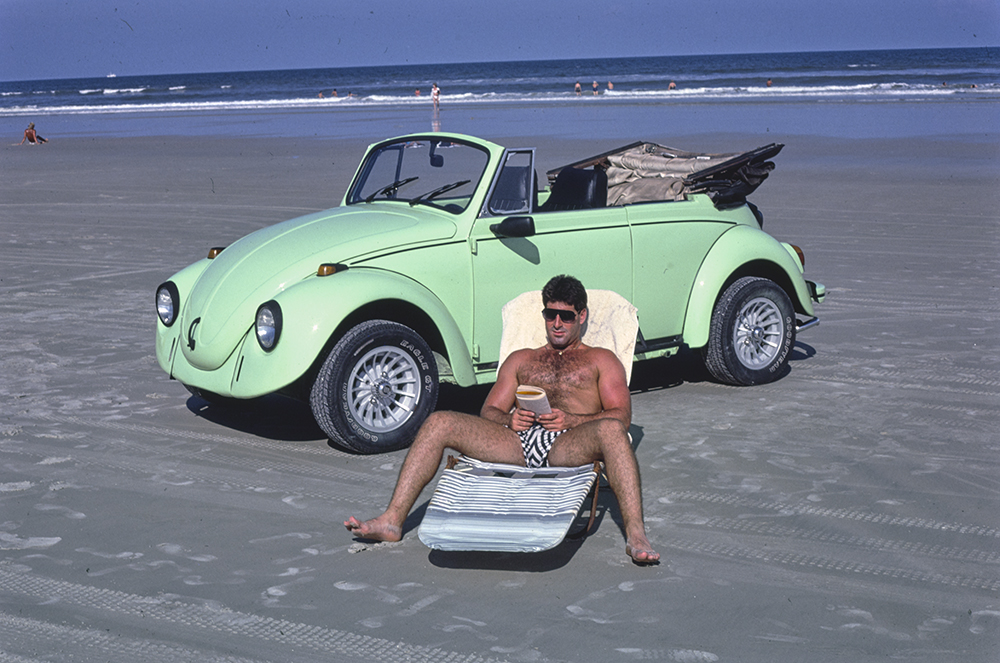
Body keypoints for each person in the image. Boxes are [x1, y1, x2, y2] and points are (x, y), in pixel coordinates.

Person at [345, 275, 660, 564]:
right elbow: (489, 411)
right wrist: (510, 419)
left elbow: (620, 416)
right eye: (550, 315)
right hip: (516, 443)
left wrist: (572, 420)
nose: (558, 324)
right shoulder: (522, 358)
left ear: (582, 316)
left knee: (610, 432)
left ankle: (635, 534)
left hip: (567, 444)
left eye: (566, 316)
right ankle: (391, 520)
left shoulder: (601, 359)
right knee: (439, 421)